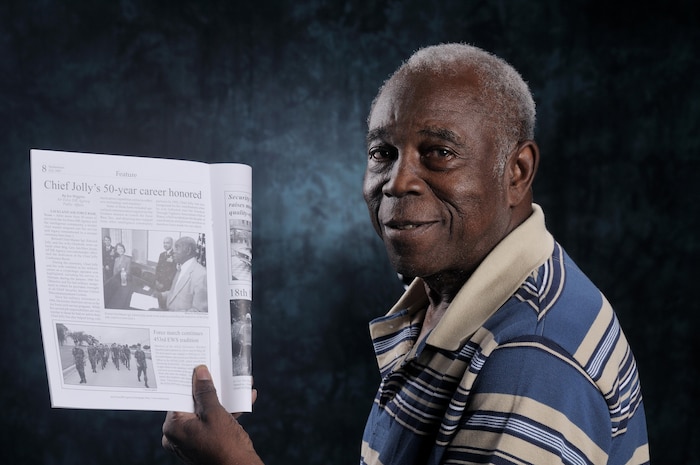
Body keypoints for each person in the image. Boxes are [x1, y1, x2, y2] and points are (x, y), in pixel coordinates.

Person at [162, 43, 649, 465]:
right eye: (382, 153)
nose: (396, 182)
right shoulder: (449, 295)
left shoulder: (532, 363)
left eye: (438, 152)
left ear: (516, 173)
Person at [155, 236, 208, 312]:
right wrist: (160, 296)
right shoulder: (181, 268)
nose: (174, 251)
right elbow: (174, 294)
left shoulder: (201, 275)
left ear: (188, 250)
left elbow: (198, 312)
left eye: (177, 248)